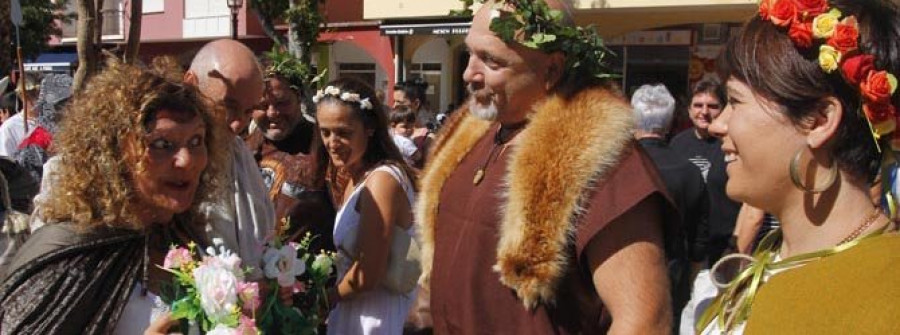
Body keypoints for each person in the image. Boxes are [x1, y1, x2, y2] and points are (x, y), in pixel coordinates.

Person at [417, 1, 674, 333]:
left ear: (552, 70)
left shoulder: (601, 159)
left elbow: (645, 321)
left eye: (492, 61)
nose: (469, 74)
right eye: (470, 54)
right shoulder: (473, 134)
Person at [692, 0, 900, 333]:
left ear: (819, 121)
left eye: (735, 101)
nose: (718, 125)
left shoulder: (886, 296)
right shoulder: (768, 262)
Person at [0, 57, 230, 333]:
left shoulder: (183, 235)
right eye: (161, 144)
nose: (187, 160)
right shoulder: (70, 255)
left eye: (196, 141)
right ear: (117, 156)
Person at [317, 78, 419, 334]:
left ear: (370, 128)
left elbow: (367, 274)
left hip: (378, 318)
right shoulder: (356, 177)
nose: (332, 142)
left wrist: (318, 302)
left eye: (343, 132)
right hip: (353, 314)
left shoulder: (383, 180)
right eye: (325, 132)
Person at [184, 39, 275, 280]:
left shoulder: (239, 152)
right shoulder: (170, 163)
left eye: (248, 112)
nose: (238, 125)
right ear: (192, 85)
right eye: (228, 106)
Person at [631, 83, 709, 329]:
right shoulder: (690, 171)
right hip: (673, 277)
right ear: (670, 122)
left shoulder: (617, 168)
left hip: (624, 275)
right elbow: (699, 240)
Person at [245, 68, 336, 251]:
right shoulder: (245, 148)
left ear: (299, 98)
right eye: (262, 105)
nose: (272, 112)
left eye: (282, 103)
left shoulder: (325, 146)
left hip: (313, 273)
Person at [671, 79, 741, 265]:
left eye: (712, 106)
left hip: (724, 245)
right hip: (688, 246)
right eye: (698, 105)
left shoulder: (732, 145)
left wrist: (735, 245)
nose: (704, 112)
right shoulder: (678, 144)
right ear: (688, 110)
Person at [392, 80, 433, 167]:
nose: (394, 106)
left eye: (400, 102)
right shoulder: (390, 130)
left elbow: (429, 172)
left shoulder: (427, 138)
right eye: (394, 101)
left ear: (416, 103)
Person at [0, 72, 41, 157]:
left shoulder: (53, 123)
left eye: (39, 94)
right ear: (22, 96)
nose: (37, 100)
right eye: (32, 95)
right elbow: (6, 164)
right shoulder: (9, 128)